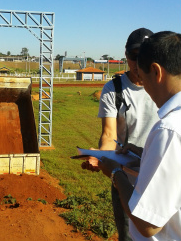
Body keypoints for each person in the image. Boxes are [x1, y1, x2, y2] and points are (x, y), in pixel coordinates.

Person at [98, 31, 181, 240]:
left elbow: (147, 224)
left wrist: (116, 172)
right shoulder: (114, 89)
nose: (147, 90)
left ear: (156, 71)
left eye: (144, 79)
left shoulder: (168, 130)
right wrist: (145, 154)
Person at [82, 28, 159, 241]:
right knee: (129, 235)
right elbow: (109, 134)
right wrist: (100, 156)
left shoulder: (163, 87)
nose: (138, 63)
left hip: (161, 176)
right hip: (127, 180)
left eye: (145, 56)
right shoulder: (114, 89)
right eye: (134, 56)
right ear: (126, 56)